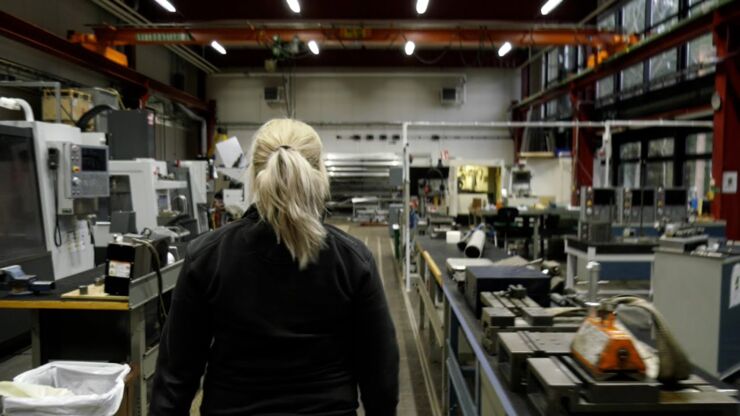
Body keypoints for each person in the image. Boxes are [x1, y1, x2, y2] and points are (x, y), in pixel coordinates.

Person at [150, 119, 400, 415]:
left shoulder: (208, 257)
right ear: (321, 174)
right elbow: (381, 377)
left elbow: (174, 379)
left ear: (254, 175)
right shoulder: (353, 260)